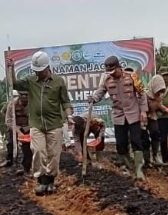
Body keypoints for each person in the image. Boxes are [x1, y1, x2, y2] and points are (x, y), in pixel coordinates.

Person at [8, 51, 73, 195]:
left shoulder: (58, 81)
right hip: (36, 124)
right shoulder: (31, 81)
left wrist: (69, 116)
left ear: (47, 67)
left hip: (54, 124)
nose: (37, 73)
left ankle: (51, 181)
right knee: (38, 151)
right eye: (35, 71)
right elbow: (14, 84)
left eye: (40, 71)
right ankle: (41, 181)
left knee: (54, 155)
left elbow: (65, 101)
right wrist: (11, 69)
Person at [89, 56, 148, 180]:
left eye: (113, 70)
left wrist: (143, 111)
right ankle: (127, 166)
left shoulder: (132, 77)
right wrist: (93, 98)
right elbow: (100, 92)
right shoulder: (107, 80)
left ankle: (139, 169)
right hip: (118, 116)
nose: (112, 74)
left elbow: (142, 94)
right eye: (109, 72)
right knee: (121, 143)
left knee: (136, 141)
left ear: (119, 67)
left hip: (133, 114)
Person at [0, 90, 32, 173]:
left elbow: (36, 119)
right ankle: (9, 160)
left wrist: (28, 129)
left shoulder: (33, 104)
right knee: (10, 142)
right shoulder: (12, 104)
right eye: (22, 95)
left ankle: (26, 166)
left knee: (27, 147)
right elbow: (8, 120)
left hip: (28, 127)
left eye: (26, 95)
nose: (24, 97)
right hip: (15, 126)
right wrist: (17, 130)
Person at [142, 74, 168, 166]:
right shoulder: (144, 95)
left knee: (156, 134)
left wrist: (166, 110)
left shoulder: (159, 96)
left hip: (152, 117)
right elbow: (143, 108)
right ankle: (146, 159)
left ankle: (155, 155)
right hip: (143, 118)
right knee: (144, 139)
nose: (159, 92)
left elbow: (159, 105)